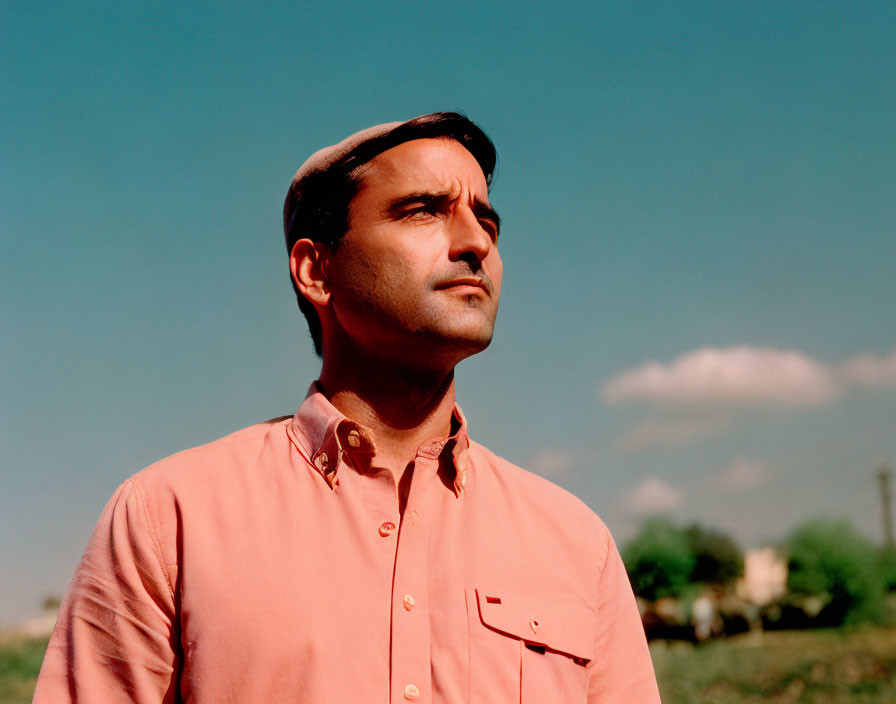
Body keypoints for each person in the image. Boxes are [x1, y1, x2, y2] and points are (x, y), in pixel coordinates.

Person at [34, 112, 659, 703]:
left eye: (488, 223)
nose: (476, 244)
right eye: (422, 211)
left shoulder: (577, 544)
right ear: (316, 268)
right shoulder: (168, 519)